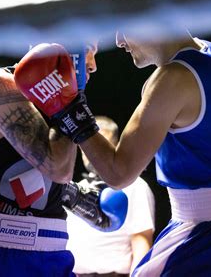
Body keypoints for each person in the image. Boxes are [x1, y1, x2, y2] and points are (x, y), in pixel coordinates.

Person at [22, 0, 211, 276]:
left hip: (202, 239)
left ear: (142, 15)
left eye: (120, 23)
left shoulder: (169, 80)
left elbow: (117, 173)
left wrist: (69, 109)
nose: (118, 40)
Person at [0, 42, 128, 277]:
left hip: (49, 258)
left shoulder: (58, 104)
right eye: (88, 48)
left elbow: (47, 175)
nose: (92, 64)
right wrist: (71, 100)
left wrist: (72, 195)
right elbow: (56, 169)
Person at [66, 116, 156, 277]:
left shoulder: (134, 186)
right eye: (87, 147)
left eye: (100, 147)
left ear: (114, 147)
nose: (93, 153)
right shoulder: (77, 189)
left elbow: (141, 242)